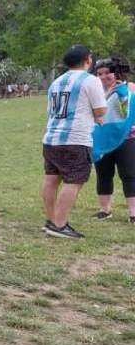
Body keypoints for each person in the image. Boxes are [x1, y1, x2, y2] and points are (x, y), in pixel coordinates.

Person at [42, 44, 107, 239]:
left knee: (51, 179)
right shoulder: (91, 81)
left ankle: (51, 220)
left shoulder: (57, 82)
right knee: (75, 180)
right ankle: (60, 225)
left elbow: (50, 111)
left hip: (51, 138)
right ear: (88, 59)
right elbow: (101, 111)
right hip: (75, 139)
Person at [90, 57, 135, 224]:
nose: (103, 77)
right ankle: (105, 210)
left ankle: (133, 213)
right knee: (103, 175)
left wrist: (120, 92)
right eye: (99, 74)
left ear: (117, 72)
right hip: (102, 139)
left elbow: (126, 111)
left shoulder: (130, 88)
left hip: (127, 138)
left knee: (129, 175)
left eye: (107, 73)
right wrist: (108, 94)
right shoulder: (95, 91)